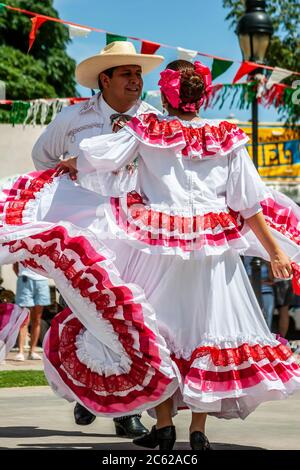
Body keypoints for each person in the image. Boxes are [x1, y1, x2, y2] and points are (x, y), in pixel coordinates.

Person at [1, 59, 300, 451]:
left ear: (169, 93)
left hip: (159, 244)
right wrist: (276, 250)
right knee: (207, 333)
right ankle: (198, 431)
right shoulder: (227, 137)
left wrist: (71, 165)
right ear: (202, 95)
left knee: (155, 333)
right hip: (213, 255)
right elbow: (250, 204)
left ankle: (163, 425)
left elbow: (98, 159)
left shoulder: (148, 129)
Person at [31, 40, 164, 438]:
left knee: (127, 313)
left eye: (138, 74)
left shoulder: (153, 120)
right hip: (85, 230)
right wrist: (64, 186)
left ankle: (124, 409)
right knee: (90, 311)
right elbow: (43, 156)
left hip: (134, 231)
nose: (136, 81)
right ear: (104, 79)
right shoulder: (74, 117)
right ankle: (86, 390)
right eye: (127, 73)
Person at [13, 263, 50, 361]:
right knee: (24, 318)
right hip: (25, 279)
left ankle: (32, 352)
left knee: (37, 319)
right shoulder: (21, 247)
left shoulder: (45, 247)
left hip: (42, 281)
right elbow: (15, 266)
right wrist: (22, 275)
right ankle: (20, 352)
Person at [244, 257, 275, 330]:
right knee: (252, 317)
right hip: (251, 293)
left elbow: (271, 279)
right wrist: (260, 281)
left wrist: (268, 264)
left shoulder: (266, 260)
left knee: (268, 316)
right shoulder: (246, 260)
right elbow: (245, 278)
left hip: (267, 292)